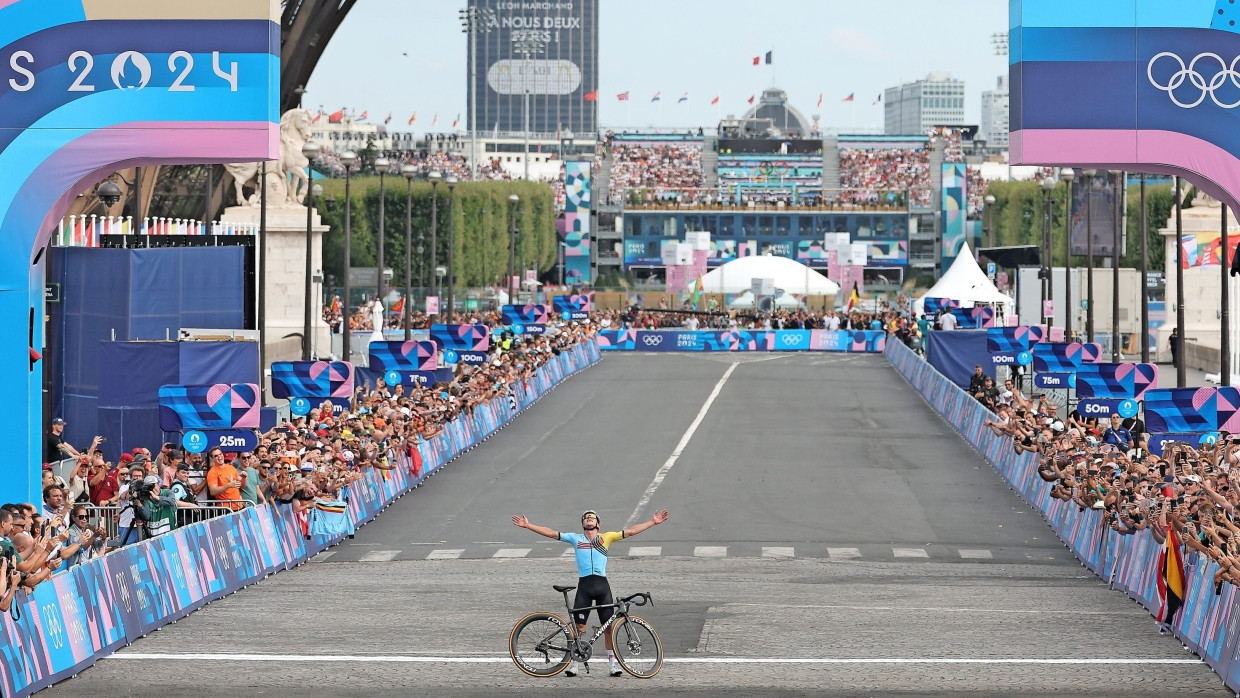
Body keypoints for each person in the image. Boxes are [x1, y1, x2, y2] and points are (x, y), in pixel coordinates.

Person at [512, 508, 669, 678]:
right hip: (584, 587)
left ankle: (612, 666)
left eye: (592, 518)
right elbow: (551, 533)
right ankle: (574, 665)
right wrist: (528, 525)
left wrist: (653, 522)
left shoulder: (606, 538)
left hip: (602, 586)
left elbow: (630, 531)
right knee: (579, 628)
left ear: (598, 524)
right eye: (586, 518)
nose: (589, 519)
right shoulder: (575, 538)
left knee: (608, 627)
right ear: (582, 524)